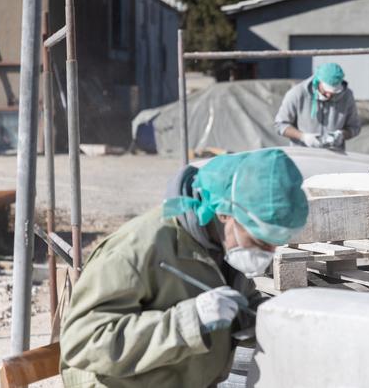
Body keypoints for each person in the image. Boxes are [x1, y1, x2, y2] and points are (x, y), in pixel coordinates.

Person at [60, 149, 309, 387]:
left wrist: (266, 318)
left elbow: (242, 305)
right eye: (258, 240)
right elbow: (82, 342)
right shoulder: (140, 247)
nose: (267, 253)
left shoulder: (225, 250)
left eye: (274, 244)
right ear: (224, 213)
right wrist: (190, 321)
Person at [275, 62, 361, 150]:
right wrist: (303, 137)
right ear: (318, 82)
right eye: (326, 90)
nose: (329, 95)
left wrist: (341, 135)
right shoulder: (297, 94)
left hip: (334, 159)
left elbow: (354, 127)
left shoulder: (346, 96)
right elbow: (280, 125)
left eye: (334, 93)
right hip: (303, 157)